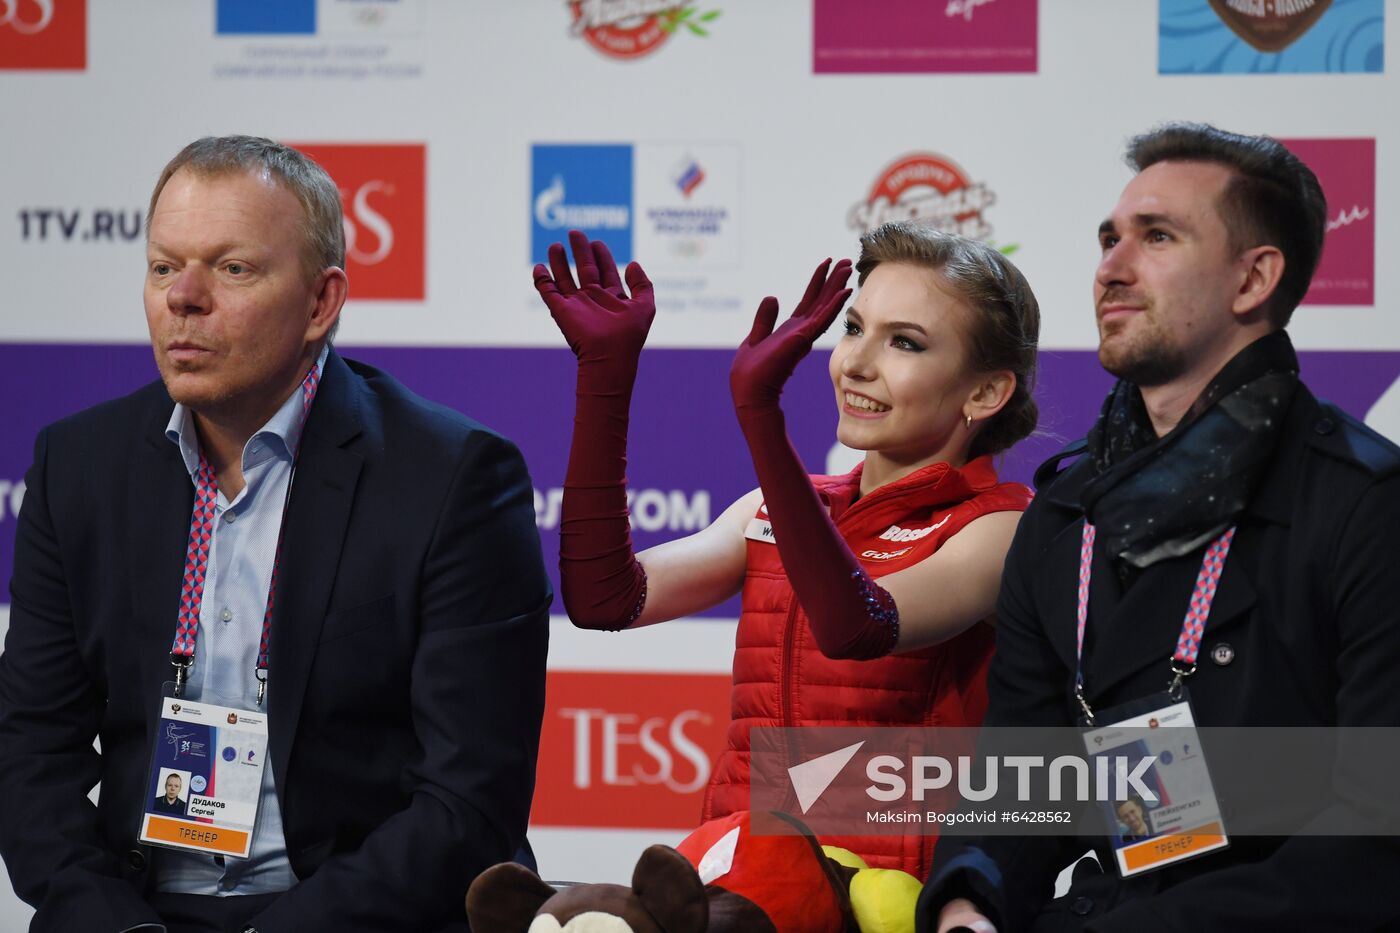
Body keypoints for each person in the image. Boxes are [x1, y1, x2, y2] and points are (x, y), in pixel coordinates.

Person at [0, 136, 551, 933]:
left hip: (357, 913)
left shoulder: (453, 478)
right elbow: (29, 756)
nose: (183, 297)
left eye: (232, 269)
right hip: (135, 911)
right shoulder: (76, 464)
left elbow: (468, 803)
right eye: (163, 267)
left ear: (321, 303)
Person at [921, 123, 1400, 933]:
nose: (1111, 266)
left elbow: (1375, 835)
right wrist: (971, 901)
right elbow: (1024, 778)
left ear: (1254, 279)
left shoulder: (1365, 506)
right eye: (1109, 238)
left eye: (1157, 237)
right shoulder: (1062, 516)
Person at [532, 223, 1041, 879]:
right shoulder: (773, 509)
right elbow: (607, 599)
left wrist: (763, 419)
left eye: (905, 342)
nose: (857, 363)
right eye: (854, 328)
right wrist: (606, 374)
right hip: (737, 890)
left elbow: (860, 623)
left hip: (892, 908)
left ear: (985, 393)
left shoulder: (1001, 528)